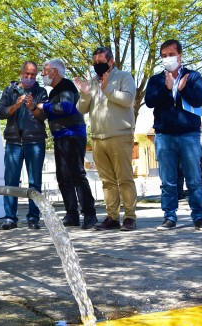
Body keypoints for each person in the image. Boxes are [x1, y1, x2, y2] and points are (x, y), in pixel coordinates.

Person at [145, 39, 202, 231]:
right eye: (164, 56)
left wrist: (182, 89)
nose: (168, 59)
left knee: (194, 178)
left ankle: (199, 217)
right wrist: (167, 89)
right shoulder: (156, 80)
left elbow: (198, 100)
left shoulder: (193, 76)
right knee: (168, 180)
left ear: (180, 55)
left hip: (188, 135)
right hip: (164, 136)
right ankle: (169, 217)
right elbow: (150, 101)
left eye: (171, 55)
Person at [75, 47, 137, 231]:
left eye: (101, 62)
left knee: (125, 179)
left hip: (120, 135)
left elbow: (127, 100)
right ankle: (112, 217)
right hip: (98, 138)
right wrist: (85, 93)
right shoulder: (93, 82)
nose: (97, 66)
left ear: (111, 62)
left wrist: (107, 88)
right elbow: (81, 109)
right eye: (95, 63)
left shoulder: (124, 77)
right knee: (107, 181)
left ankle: (130, 217)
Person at [36, 59, 97, 229]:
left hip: (72, 135)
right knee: (63, 177)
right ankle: (72, 214)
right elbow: (48, 113)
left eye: (45, 70)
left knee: (77, 174)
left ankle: (90, 214)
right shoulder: (54, 91)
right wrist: (35, 107)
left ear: (54, 71)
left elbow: (66, 107)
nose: (42, 74)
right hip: (60, 137)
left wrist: (45, 105)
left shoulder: (67, 86)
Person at [0, 61, 48, 230]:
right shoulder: (9, 90)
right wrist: (16, 106)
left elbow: (44, 115)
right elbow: (1, 113)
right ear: (20, 73)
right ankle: (10, 218)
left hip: (35, 141)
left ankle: (33, 218)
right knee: (10, 181)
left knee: (35, 182)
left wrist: (33, 108)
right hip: (13, 143)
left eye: (33, 74)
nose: (29, 77)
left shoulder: (41, 92)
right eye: (26, 73)